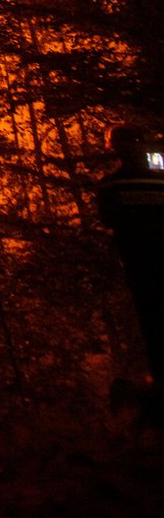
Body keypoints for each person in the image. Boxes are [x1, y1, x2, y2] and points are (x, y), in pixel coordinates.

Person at [97, 124, 164, 426]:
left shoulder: (110, 186)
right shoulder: (160, 182)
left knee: (152, 324)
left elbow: (109, 220)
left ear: (113, 149)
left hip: (139, 265)